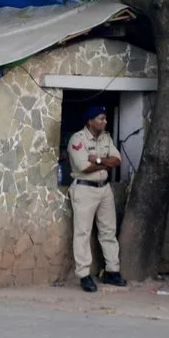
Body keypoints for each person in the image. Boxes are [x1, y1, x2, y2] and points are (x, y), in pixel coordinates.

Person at [67, 105, 127, 292]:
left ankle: (112, 271)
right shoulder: (78, 139)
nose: (105, 122)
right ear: (90, 121)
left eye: (105, 118)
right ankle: (84, 275)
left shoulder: (106, 137)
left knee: (108, 230)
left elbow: (117, 160)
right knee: (82, 233)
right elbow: (83, 166)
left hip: (104, 189)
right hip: (85, 189)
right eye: (101, 119)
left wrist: (99, 161)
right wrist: (104, 164)